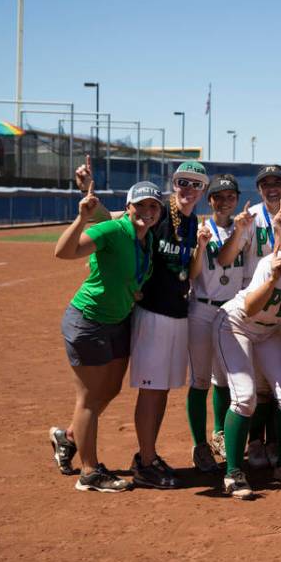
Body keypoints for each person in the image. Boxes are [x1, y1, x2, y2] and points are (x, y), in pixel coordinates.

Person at [75, 159, 209, 489]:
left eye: (196, 184)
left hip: (177, 312)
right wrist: (88, 196)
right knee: (151, 391)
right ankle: (146, 462)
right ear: (173, 184)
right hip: (151, 313)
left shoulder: (192, 223)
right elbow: (119, 224)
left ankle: (69, 438)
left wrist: (201, 249)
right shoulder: (158, 211)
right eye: (183, 182)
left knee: (160, 390)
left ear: (203, 190)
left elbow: (189, 271)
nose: (188, 190)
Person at [49, 179, 162, 491]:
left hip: (118, 321)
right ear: (128, 207)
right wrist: (82, 219)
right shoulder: (113, 230)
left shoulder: (146, 238)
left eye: (153, 206)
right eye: (140, 205)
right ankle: (90, 472)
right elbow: (64, 251)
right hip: (88, 321)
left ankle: (70, 436)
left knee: (110, 389)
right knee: (88, 397)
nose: (146, 211)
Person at [212, 214, 281, 499]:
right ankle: (233, 472)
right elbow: (250, 308)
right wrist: (274, 279)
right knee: (245, 397)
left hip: (269, 333)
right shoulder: (272, 263)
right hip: (234, 324)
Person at [185, 174, 251, 474]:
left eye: (230, 196)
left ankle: (220, 434)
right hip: (202, 309)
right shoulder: (201, 229)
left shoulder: (244, 228)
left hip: (230, 309)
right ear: (209, 200)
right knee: (200, 379)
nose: (225, 201)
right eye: (218, 196)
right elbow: (194, 270)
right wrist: (200, 246)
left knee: (223, 378)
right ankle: (200, 445)